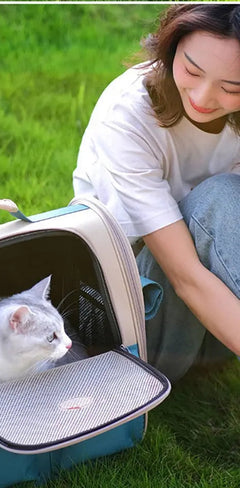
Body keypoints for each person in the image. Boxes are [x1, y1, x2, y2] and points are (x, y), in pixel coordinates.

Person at [73, 4, 240, 382]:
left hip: (219, 318)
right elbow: (185, 277)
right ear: (171, 47)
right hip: (136, 324)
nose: (202, 96)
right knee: (220, 200)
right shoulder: (129, 116)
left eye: (231, 88)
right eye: (191, 70)